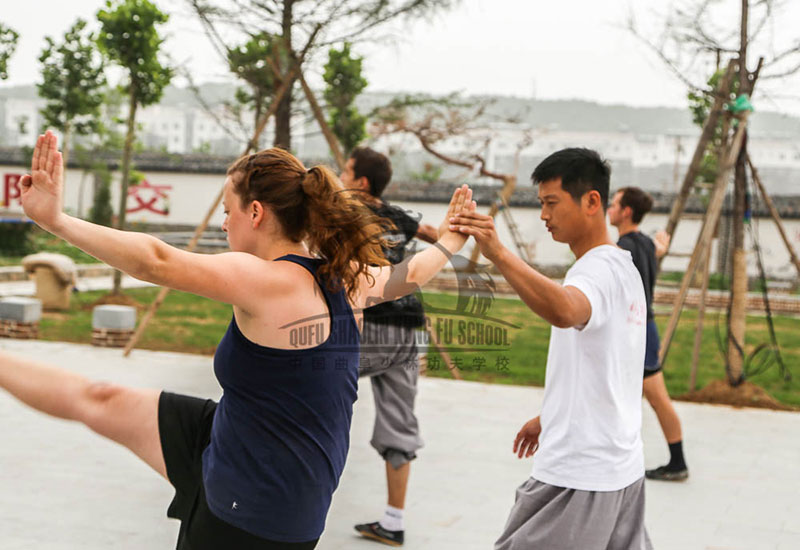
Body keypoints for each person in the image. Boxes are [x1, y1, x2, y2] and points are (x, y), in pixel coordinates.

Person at [0, 131, 473, 550]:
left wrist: (56, 221)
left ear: (256, 211)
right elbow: (408, 274)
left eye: (228, 212)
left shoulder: (269, 280)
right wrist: (450, 242)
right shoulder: (345, 275)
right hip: (235, 439)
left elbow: (156, 262)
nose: (225, 223)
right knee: (100, 398)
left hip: (257, 512)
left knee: (98, 401)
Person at [450, 148, 653, 550]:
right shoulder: (623, 267)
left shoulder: (595, 270)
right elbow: (611, 368)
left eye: (551, 203)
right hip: (621, 469)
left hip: (580, 475)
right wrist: (552, 415)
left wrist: (498, 252)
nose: (544, 215)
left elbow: (566, 310)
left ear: (591, 201)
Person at [339, 147, 437, 546]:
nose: (340, 177)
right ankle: (393, 522)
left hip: (372, 322)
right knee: (399, 423)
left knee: (311, 387)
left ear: (361, 182)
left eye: (345, 171)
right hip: (409, 327)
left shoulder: (344, 212)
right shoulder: (398, 215)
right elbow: (439, 236)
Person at [608, 186, 689, 481]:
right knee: (628, 396)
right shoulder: (644, 244)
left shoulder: (622, 249)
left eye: (614, 204)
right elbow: (654, 253)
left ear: (626, 211)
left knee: (656, 397)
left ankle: (678, 462)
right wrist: (660, 250)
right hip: (643, 328)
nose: (609, 208)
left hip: (637, 331)